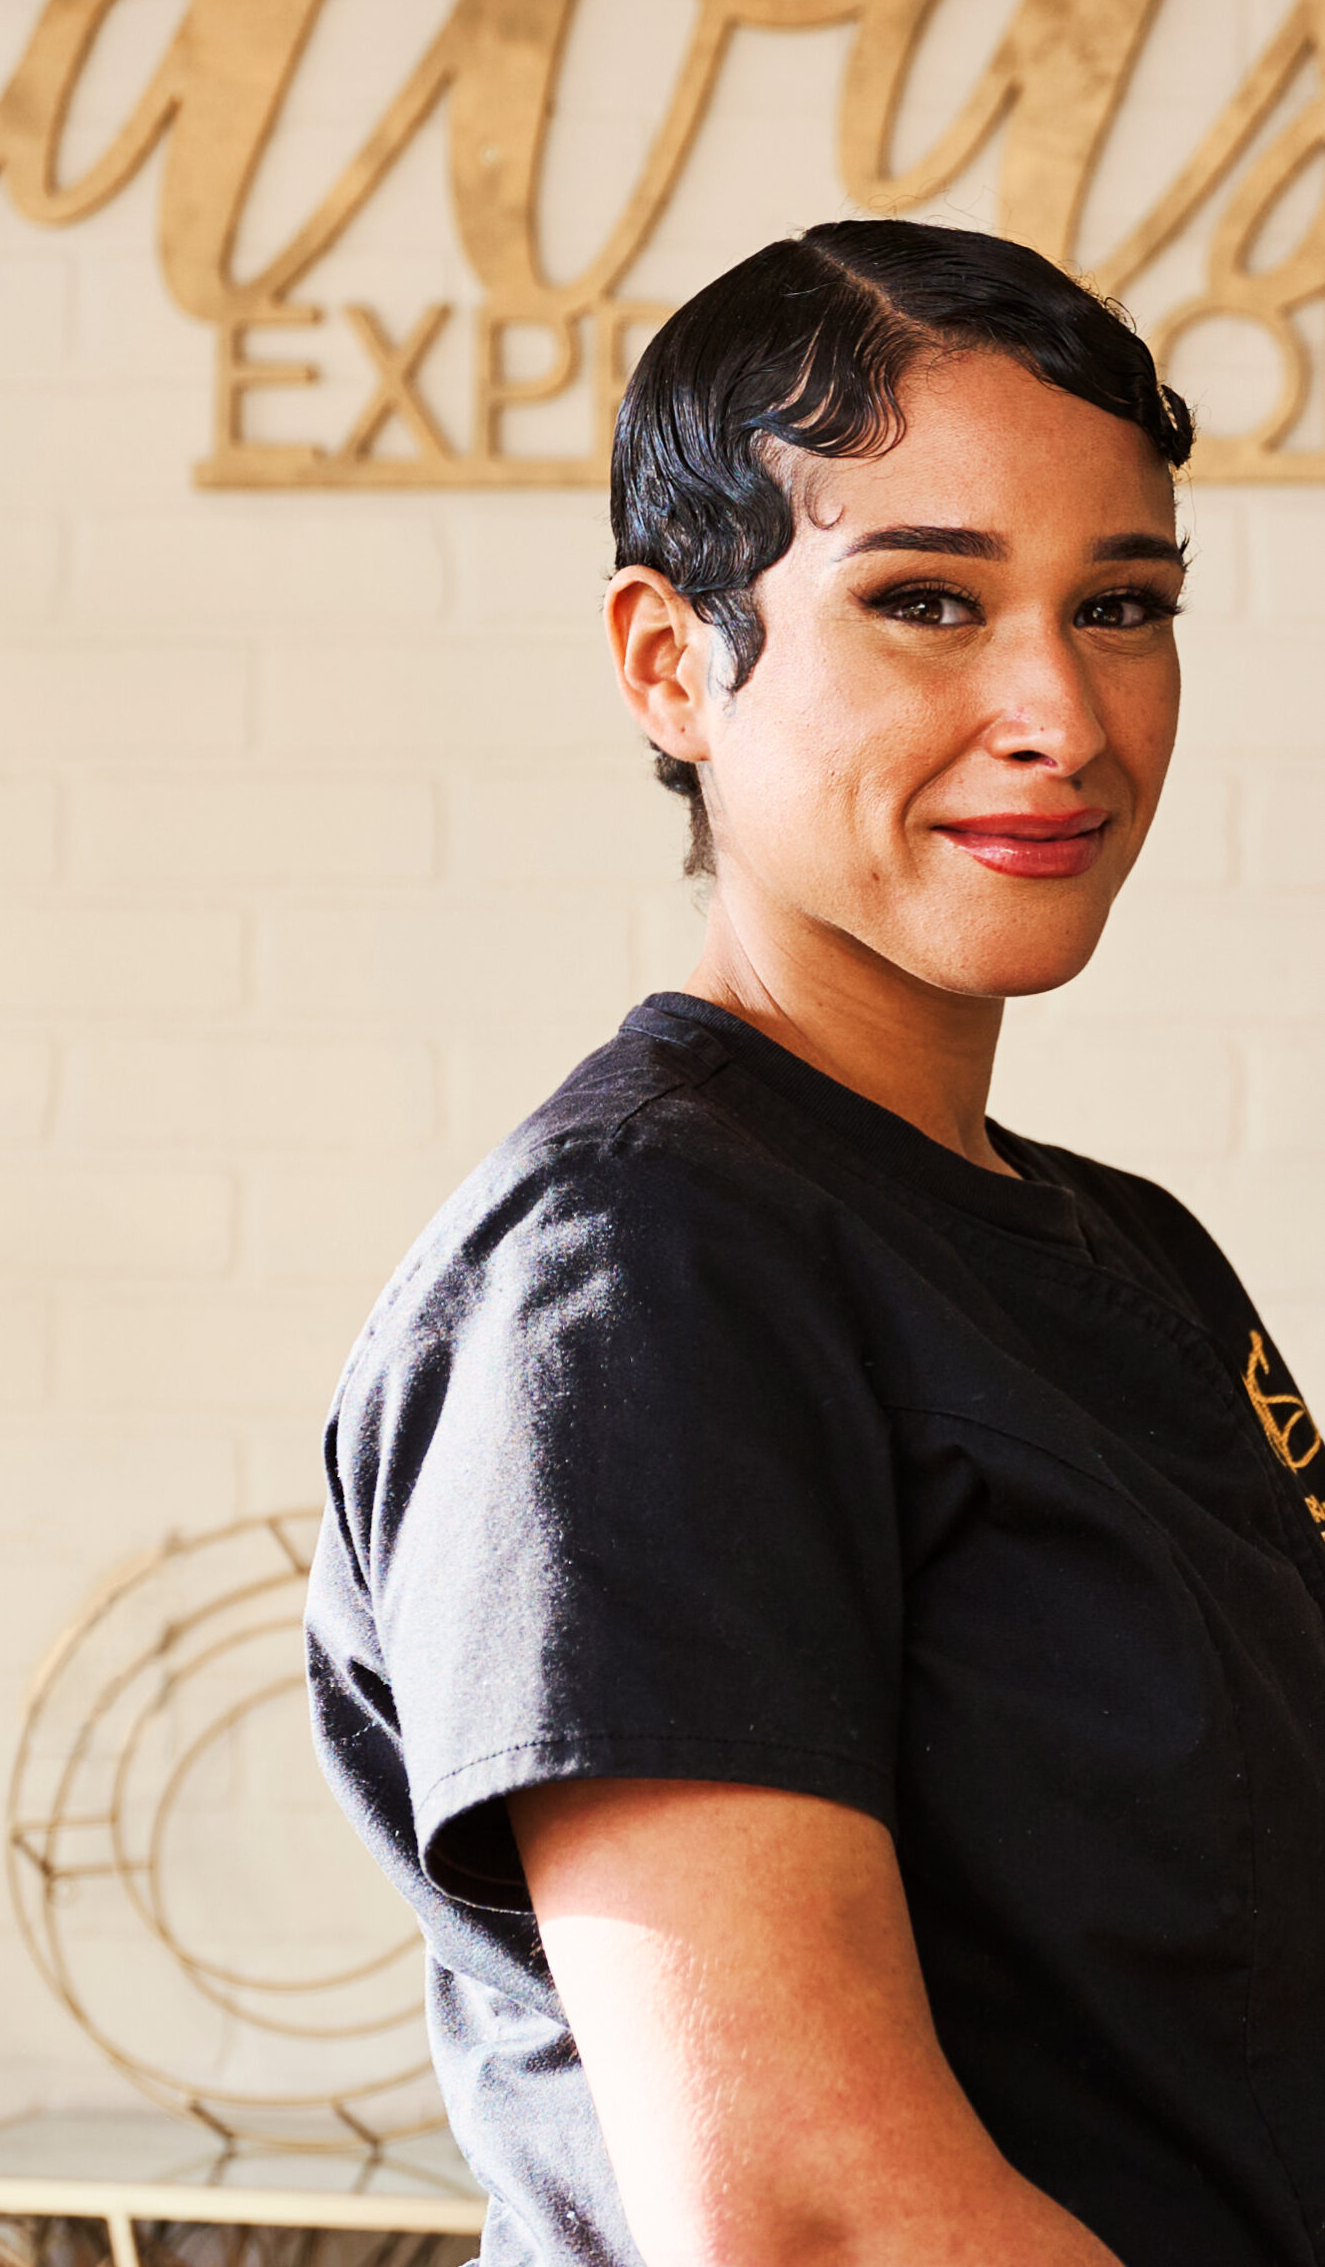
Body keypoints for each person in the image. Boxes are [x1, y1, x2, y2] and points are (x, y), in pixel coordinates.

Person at [304, 221, 1325, 2267]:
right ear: (669, 657)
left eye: (1120, 604)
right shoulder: (636, 1274)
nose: (1062, 710)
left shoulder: (1119, 1246)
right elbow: (804, 2217)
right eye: (926, 601)